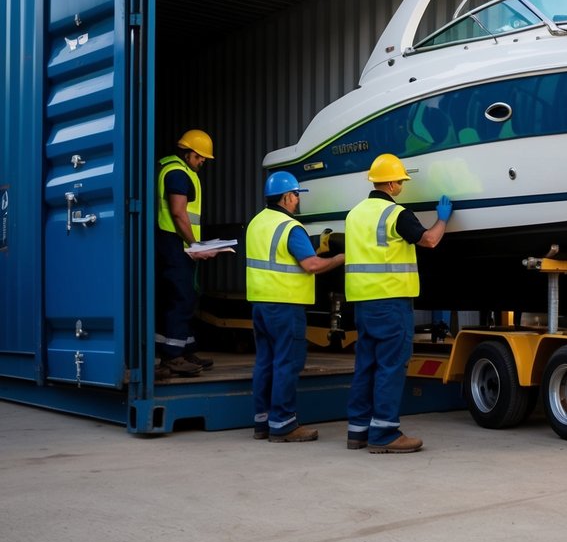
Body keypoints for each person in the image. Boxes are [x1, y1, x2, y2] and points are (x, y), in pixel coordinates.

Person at [344, 153, 451, 454]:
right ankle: (385, 434)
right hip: (391, 303)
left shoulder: (354, 214)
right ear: (391, 183)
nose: (402, 185)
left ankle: (358, 432)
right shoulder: (395, 214)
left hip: (363, 304)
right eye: (402, 181)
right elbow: (429, 240)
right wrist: (442, 218)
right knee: (391, 367)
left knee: (366, 367)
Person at [246, 171, 345, 443]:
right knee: (286, 364)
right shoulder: (291, 227)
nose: (297, 202)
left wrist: (314, 249)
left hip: (261, 305)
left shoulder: (256, 223)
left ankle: (263, 423)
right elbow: (311, 265)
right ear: (288, 196)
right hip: (286, 306)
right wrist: (339, 258)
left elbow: (275, 256)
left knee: (265, 363)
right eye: (296, 196)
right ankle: (284, 424)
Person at [156, 129, 229, 377]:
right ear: (188, 153)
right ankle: (172, 356)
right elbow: (178, 212)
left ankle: (184, 348)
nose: (203, 162)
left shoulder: (179, 170)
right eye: (200, 158)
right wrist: (195, 244)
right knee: (181, 297)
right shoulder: (177, 173)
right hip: (174, 243)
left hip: (176, 244)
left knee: (184, 295)